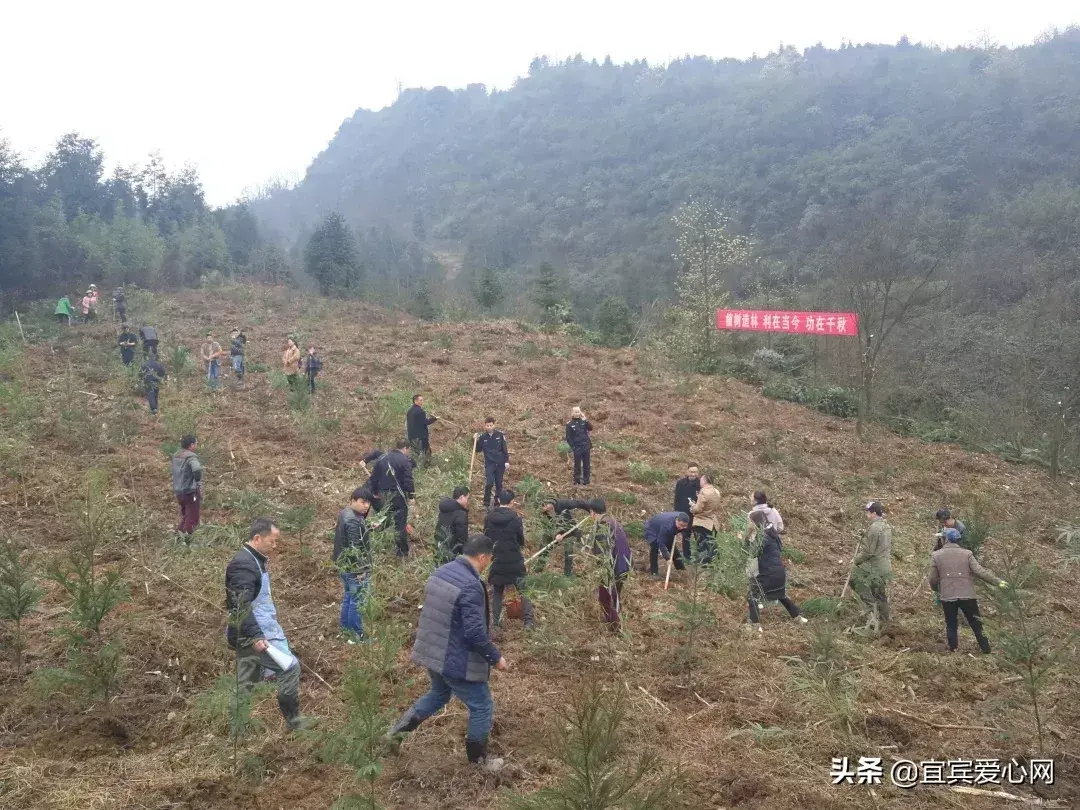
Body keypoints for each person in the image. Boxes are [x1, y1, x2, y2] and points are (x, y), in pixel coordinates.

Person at [386, 534, 507, 772]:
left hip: (433, 651)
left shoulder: (442, 571)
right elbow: (474, 632)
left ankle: (394, 734)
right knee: (482, 706)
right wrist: (495, 657)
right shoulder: (471, 585)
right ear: (482, 557)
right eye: (489, 559)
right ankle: (478, 762)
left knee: (439, 694)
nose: (488, 564)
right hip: (453, 657)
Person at [225, 518, 315, 732]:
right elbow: (240, 604)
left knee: (247, 682)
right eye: (272, 542)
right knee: (290, 667)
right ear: (257, 538)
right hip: (250, 634)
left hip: (252, 631)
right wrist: (256, 636)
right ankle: (294, 722)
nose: (275, 547)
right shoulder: (243, 565)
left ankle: (237, 730)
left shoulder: (253, 559)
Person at [929, 528, 1007, 653]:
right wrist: (998, 582)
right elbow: (980, 571)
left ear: (945, 539)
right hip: (968, 595)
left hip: (948, 595)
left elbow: (932, 579)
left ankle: (953, 650)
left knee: (951, 624)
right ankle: (986, 650)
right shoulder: (967, 554)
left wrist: (936, 590)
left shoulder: (936, 555)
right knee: (976, 624)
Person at [746, 511, 807, 633]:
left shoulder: (761, 537)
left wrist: (746, 538)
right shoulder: (773, 535)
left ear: (755, 523)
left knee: (752, 596)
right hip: (779, 572)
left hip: (768, 573)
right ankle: (798, 617)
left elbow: (751, 552)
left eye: (749, 521)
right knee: (780, 595)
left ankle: (755, 626)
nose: (747, 523)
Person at [485, 489, 534, 629]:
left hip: (497, 560)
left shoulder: (489, 518)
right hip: (514, 560)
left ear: (499, 501)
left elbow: (486, 538)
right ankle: (528, 622)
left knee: (498, 591)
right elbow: (520, 540)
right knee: (524, 590)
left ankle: (496, 624)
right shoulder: (516, 519)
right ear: (512, 502)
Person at [334, 487, 373, 639]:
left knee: (349, 597)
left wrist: (367, 527)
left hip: (343, 564)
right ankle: (357, 635)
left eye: (368, 503)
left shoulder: (346, 514)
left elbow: (350, 538)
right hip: (354, 568)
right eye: (363, 502)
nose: (366, 506)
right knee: (357, 601)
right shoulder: (353, 521)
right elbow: (355, 548)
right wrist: (360, 571)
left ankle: (346, 630)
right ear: (353, 501)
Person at [588, 499, 631, 632]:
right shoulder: (613, 522)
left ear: (593, 513)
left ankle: (615, 627)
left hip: (613, 567)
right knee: (614, 595)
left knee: (606, 597)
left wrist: (602, 570)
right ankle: (613, 621)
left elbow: (602, 552)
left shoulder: (603, 526)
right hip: (624, 564)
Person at [367, 439, 415, 557]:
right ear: (405, 448)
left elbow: (373, 477)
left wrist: (374, 492)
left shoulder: (382, 458)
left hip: (383, 495)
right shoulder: (405, 460)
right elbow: (408, 480)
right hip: (398, 497)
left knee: (381, 517)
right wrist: (411, 496)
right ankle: (402, 552)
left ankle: (371, 540)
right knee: (400, 523)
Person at [853, 502, 892, 632]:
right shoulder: (885, 526)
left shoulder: (874, 528)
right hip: (884, 566)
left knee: (855, 580)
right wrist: (865, 535)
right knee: (880, 594)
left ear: (873, 513)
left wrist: (856, 560)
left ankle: (871, 609)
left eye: (868, 512)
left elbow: (868, 551)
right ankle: (885, 620)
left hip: (875, 567)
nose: (867, 514)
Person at [535, 497, 590, 576]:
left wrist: (591, 510)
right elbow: (547, 526)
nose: (540, 510)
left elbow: (579, 503)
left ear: (547, 505)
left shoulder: (562, 504)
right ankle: (538, 569)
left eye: (541, 507)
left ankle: (567, 574)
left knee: (569, 550)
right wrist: (556, 534)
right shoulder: (543, 514)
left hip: (569, 530)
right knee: (544, 543)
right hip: (554, 531)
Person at [171, 435, 204, 535]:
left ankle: (179, 536)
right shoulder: (191, 457)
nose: (197, 446)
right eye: (196, 443)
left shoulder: (176, 456)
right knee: (192, 517)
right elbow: (197, 469)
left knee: (185, 515)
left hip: (179, 491)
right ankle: (188, 539)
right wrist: (197, 480)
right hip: (190, 491)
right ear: (191, 445)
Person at [475, 417, 510, 509]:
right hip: (489, 463)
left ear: (494, 425)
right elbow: (478, 450)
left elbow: (504, 449)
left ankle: (497, 502)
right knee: (489, 482)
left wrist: (506, 461)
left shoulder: (500, 435)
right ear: (485, 426)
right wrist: (476, 440)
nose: (489, 427)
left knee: (499, 483)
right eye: (487, 425)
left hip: (500, 463)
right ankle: (486, 503)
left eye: (491, 425)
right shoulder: (482, 437)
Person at [688, 471, 722, 564]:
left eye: (701, 479)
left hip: (702, 522)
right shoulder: (716, 491)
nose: (700, 481)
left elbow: (698, 508)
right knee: (711, 544)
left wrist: (692, 507)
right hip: (712, 522)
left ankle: (704, 565)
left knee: (702, 545)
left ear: (705, 481)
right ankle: (714, 563)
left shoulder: (703, 492)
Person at [645, 511, 690, 580]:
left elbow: (682, 530)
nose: (681, 528)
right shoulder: (667, 526)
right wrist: (667, 558)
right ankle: (654, 572)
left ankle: (681, 569)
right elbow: (661, 543)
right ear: (677, 520)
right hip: (652, 529)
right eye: (680, 525)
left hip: (665, 527)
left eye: (684, 526)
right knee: (655, 547)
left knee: (672, 547)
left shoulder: (682, 518)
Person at [435, 486, 470, 564]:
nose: (467, 501)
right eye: (467, 498)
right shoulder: (461, 514)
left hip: (439, 545)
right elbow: (462, 537)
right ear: (461, 497)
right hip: (452, 550)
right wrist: (464, 554)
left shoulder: (445, 508)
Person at [673, 464, 701, 560]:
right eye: (691, 472)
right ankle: (687, 556)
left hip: (697, 515)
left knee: (698, 536)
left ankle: (699, 557)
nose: (693, 474)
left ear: (698, 472)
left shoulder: (701, 485)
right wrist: (677, 514)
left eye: (695, 472)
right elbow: (677, 499)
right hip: (684, 515)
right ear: (687, 472)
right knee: (686, 537)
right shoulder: (680, 483)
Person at [565, 406, 593, 486]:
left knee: (586, 464)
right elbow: (568, 438)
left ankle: (586, 481)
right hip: (577, 447)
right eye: (575, 412)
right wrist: (573, 447)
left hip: (586, 446)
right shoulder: (570, 424)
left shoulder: (584, 422)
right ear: (572, 413)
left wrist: (586, 419)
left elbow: (591, 428)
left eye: (578, 412)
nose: (577, 413)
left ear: (580, 412)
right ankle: (577, 480)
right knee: (577, 465)